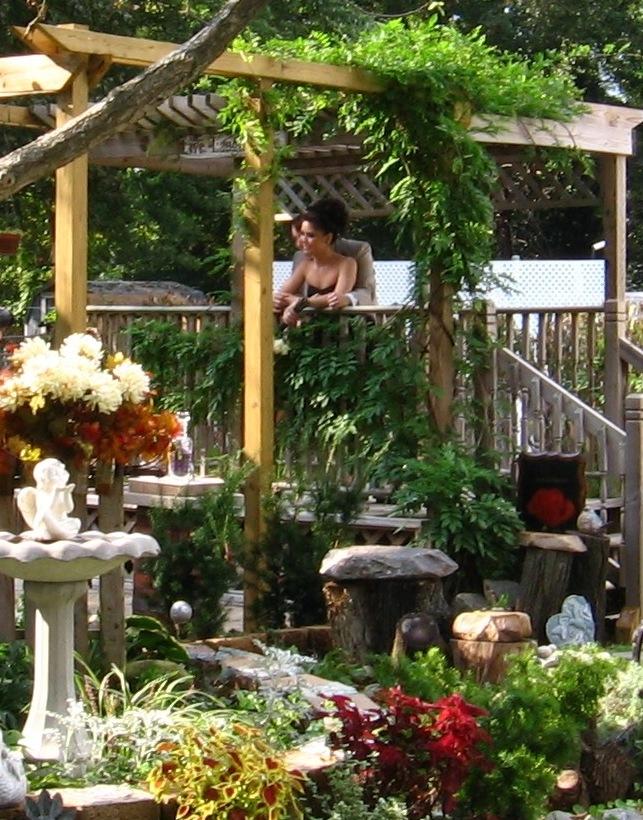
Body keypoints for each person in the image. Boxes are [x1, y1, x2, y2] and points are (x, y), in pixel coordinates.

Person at [274, 198, 377, 319]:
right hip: (312, 322)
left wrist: (303, 302)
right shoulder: (302, 259)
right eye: (301, 234)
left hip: (352, 321)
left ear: (328, 237)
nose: (301, 242)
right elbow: (287, 294)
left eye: (310, 235)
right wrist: (282, 303)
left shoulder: (356, 252)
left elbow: (365, 292)